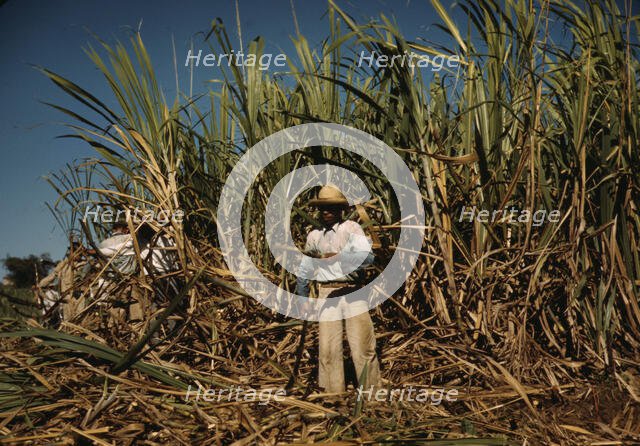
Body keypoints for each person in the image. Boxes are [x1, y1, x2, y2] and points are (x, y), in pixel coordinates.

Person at [295, 185, 381, 393]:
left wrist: (340, 257)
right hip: (326, 293)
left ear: (340, 209)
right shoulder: (314, 236)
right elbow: (305, 269)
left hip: (353, 292)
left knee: (362, 346)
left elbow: (369, 258)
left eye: (332, 207)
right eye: (323, 208)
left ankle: (372, 395)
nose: (326, 212)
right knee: (328, 349)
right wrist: (303, 297)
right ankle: (332, 395)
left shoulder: (351, 229)